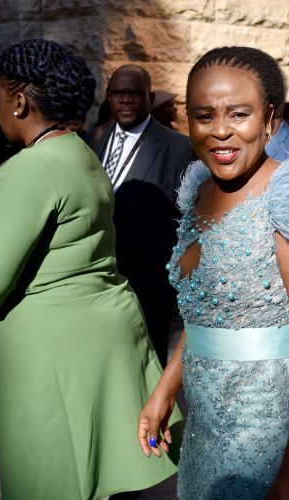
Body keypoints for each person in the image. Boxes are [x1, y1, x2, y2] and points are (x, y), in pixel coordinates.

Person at [0, 39, 180, 499]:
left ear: (20, 101)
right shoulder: (82, 153)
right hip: (100, 334)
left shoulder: (29, 169)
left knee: (51, 477)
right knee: (95, 476)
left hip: (53, 350)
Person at [137, 46, 289, 498]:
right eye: (204, 115)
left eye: (239, 114)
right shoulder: (197, 190)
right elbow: (210, 309)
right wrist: (165, 388)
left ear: (270, 120)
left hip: (271, 432)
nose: (221, 131)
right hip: (206, 419)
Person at [90, 64, 195, 365]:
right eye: (117, 93)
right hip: (101, 276)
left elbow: (185, 219)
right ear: (108, 97)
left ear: (149, 97)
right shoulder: (96, 137)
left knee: (147, 366)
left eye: (133, 93)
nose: (125, 100)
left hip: (147, 286)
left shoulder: (178, 148)